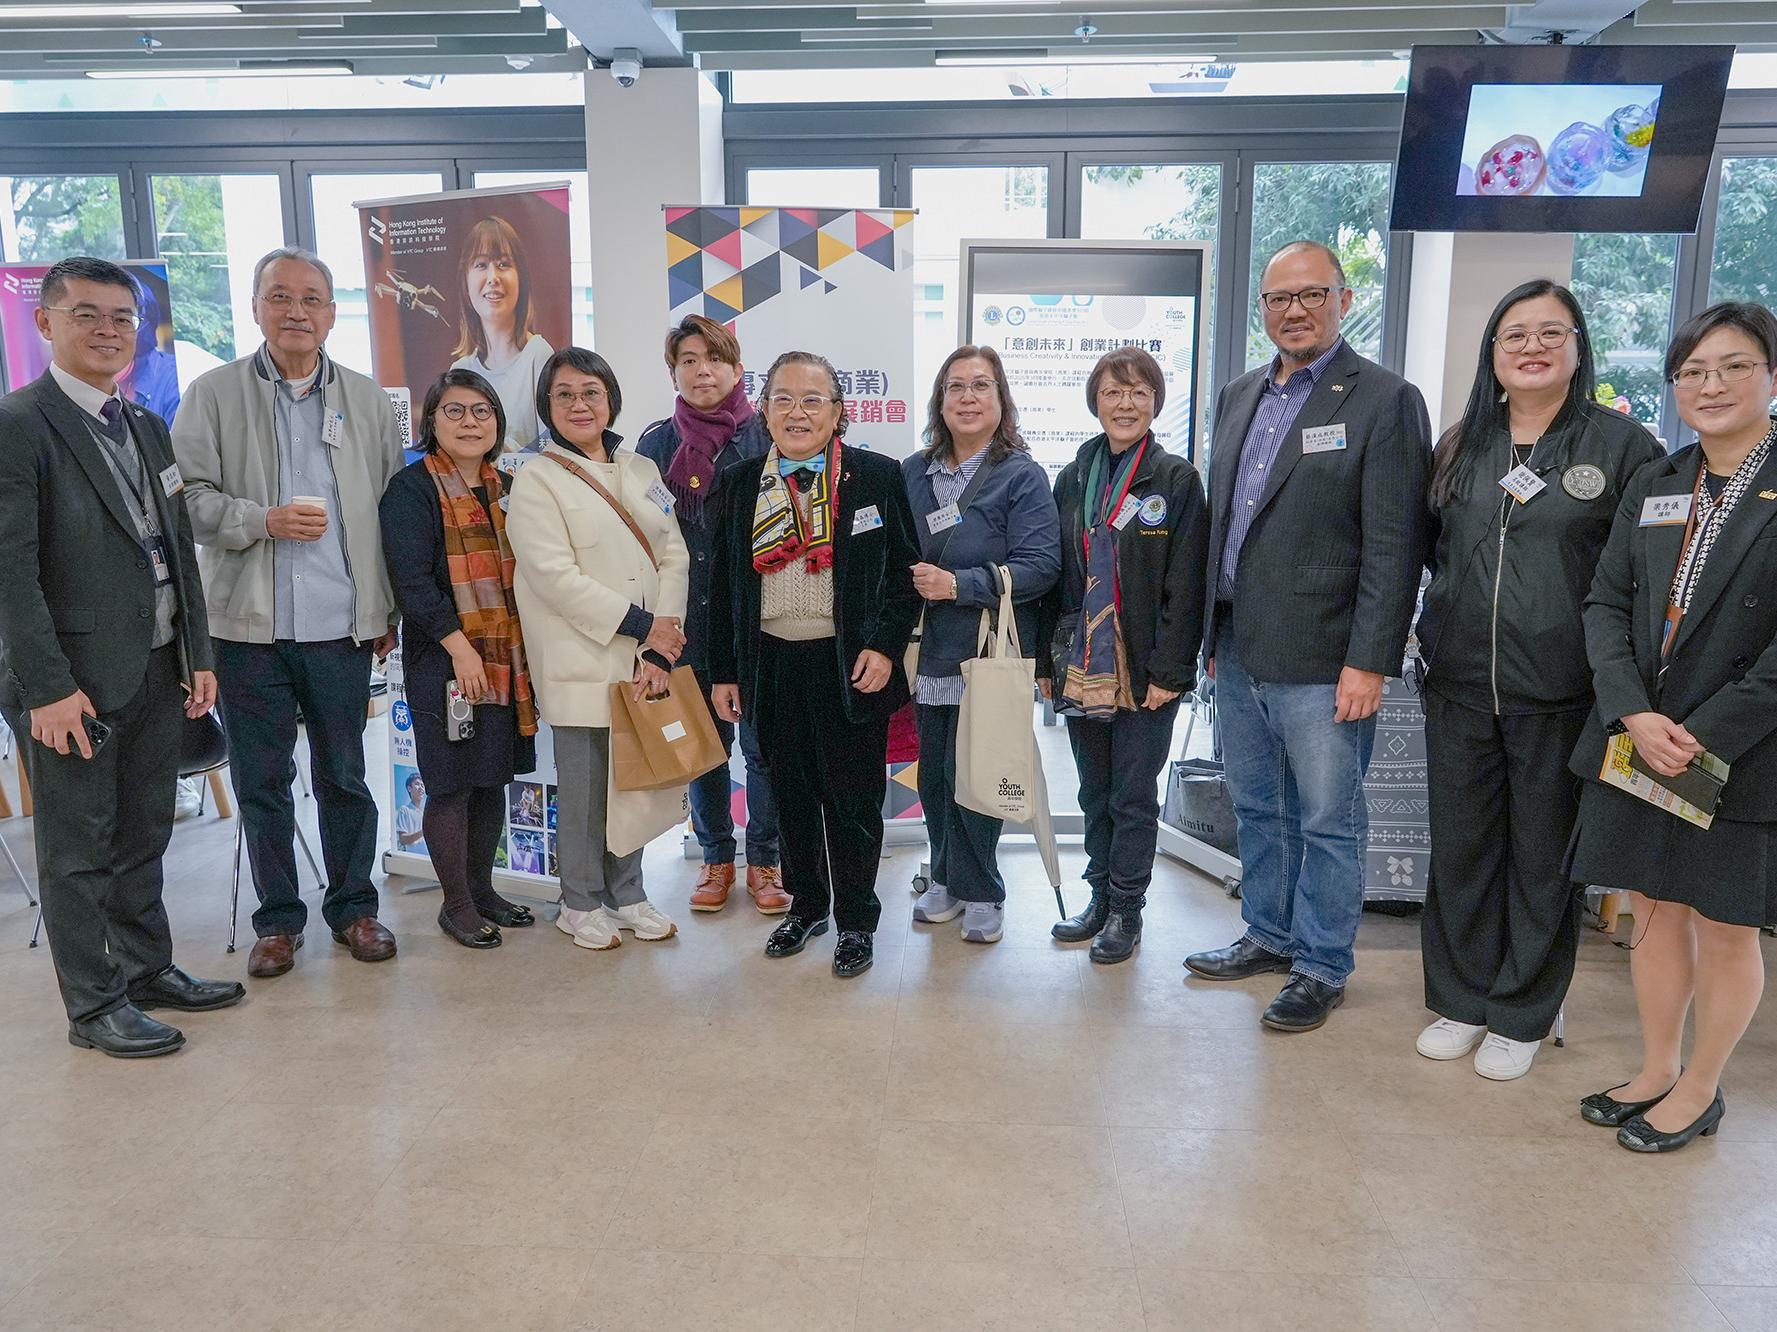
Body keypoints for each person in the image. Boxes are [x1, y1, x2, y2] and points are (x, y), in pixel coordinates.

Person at [1413, 281, 1661, 1081]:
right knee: (1460, 851)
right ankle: (1459, 1000)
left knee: (1540, 859)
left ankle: (1521, 1012)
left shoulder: (1621, 447)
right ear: (1491, 351)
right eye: (1514, 333)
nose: (1532, 347)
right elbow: (1432, 553)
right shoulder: (1461, 443)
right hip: (1456, 686)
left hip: (1561, 695)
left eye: (1551, 332)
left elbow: (1639, 581)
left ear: (1577, 348)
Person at [1184, 239, 1431, 1032]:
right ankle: (1268, 932)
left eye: (1310, 294)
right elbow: (1227, 524)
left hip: (1327, 658)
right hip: (1236, 647)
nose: (1293, 310)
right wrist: (1207, 639)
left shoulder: (1383, 400)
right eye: (1278, 298)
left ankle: (1321, 963)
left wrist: (1370, 660)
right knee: (1258, 808)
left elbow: (1394, 544)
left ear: (1343, 299)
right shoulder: (1237, 395)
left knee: (1328, 819)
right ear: (1261, 308)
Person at [0, 256, 242, 1058]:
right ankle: (94, 1004)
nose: (108, 331)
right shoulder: (19, 425)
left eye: (122, 317)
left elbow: (175, 548)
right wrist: (47, 688)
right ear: (46, 322)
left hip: (157, 665)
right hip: (70, 683)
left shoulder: (143, 424)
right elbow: (10, 574)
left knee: (143, 832)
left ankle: (146, 970)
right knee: (79, 850)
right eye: (87, 315)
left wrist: (196, 651)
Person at [1568, 301, 1777, 1153]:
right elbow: (1603, 602)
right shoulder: (1659, 479)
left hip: (1742, 745)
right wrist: (1633, 711)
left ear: (1769, 375)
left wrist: (1698, 732)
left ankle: (1700, 1086)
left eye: (1732, 366)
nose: (1709, 385)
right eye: (1691, 371)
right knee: (1650, 907)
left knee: (1724, 924)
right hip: (1641, 735)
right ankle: (1656, 1066)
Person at [172, 246, 405, 979]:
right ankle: (277, 921)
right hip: (246, 629)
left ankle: (355, 908)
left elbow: (391, 511)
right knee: (262, 782)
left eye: (311, 299)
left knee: (344, 775)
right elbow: (184, 501)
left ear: (332, 313)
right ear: (255, 308)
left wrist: (386, 609)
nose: (296, 311)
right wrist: (260, 520)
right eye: (280, 296)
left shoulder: (368, 401)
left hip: (340, 626)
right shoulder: (212, 394)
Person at [708, 351, 920, 978]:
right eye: (783, 398)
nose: (796, 412)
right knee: (790, 795)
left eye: (812, 400)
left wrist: (884, 646)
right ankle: (806, 906)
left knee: (853, 802)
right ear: (764, 408)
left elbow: (903, 576)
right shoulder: (741, 482)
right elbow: (722, 585)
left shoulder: (875, 476)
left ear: (838, 411)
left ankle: (856, 920)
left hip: (849, 665)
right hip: (770, 664)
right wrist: (725, 672)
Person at [506, 347, 688, 952]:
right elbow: (553, 577)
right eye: (564, 395)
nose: (579, 404)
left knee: (632, 781)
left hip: (643, 655)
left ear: (610, 398)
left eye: (591, 392)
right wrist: (643, 626)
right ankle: (579, 901)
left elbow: (673, 554)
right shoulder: (536, 479)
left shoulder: (641, 468)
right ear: (546, 405)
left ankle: (627, 893)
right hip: (581, 659)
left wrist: (662, 640)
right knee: (585, 788)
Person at [1038, 346, 1208, 964]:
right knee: (1094, 790)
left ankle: (1127, 909)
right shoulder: (1073, 477)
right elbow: (1055, 576)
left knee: (1132, 795)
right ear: (1096, 402)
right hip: (1083, 664)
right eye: (1113, 392)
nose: (1125, 404)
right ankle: (1099, 897)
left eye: (1138, 392)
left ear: (1156, 401)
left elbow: (1187, 584)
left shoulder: (1175, 479)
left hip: (1144, 669)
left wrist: (1171, 671)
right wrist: (1045, 664)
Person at [380, 368, 541, 948]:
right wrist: (460, 651)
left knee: (491, 777)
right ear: (432, 421)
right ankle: (456, 906)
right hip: (445, 660)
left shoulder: (509, 487)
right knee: (450, 783)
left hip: (503, 657)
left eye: (481, 410)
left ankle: (483, 890)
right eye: (455, 410)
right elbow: (413, 583)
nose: (470, 422)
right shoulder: (412, 489)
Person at [905, 346, 1060, 944]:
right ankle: (944, 876)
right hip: (926, 652)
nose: (967, 398)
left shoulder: (1020, 475)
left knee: (977, 774)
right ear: (940, 401)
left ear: (1001, 400)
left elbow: (1041, 565)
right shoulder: (913, 472)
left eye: (981, 386)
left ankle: (982, 889)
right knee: (934, 777)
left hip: (987, 651)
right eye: (956, 387)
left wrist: (959, 585)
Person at [637, 314, 785, 914]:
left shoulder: (769, 438)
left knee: (764, 748)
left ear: (738, 369)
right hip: (685, 622)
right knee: (704, 748)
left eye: (715, 359)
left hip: (757, 620)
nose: (703, 371)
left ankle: (767, 859)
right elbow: (643, 542)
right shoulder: (655, 446)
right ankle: (716, 857)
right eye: (689, 360)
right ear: (673, 372)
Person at [449, 216, 555, 454]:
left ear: (521, 279)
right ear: (465, 282)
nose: (493, 278)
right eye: (480, 265)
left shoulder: (539, 356)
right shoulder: (460, 371)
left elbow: (551, 447)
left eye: (503, 264)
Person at [395, 772, 427, 852]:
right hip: (414, 857)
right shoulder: (404, 810)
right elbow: (403, 839)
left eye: (422, 785)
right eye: (417, 784)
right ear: (409, 788)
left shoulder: (427, 812)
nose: (421, 788)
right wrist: (424, 831)